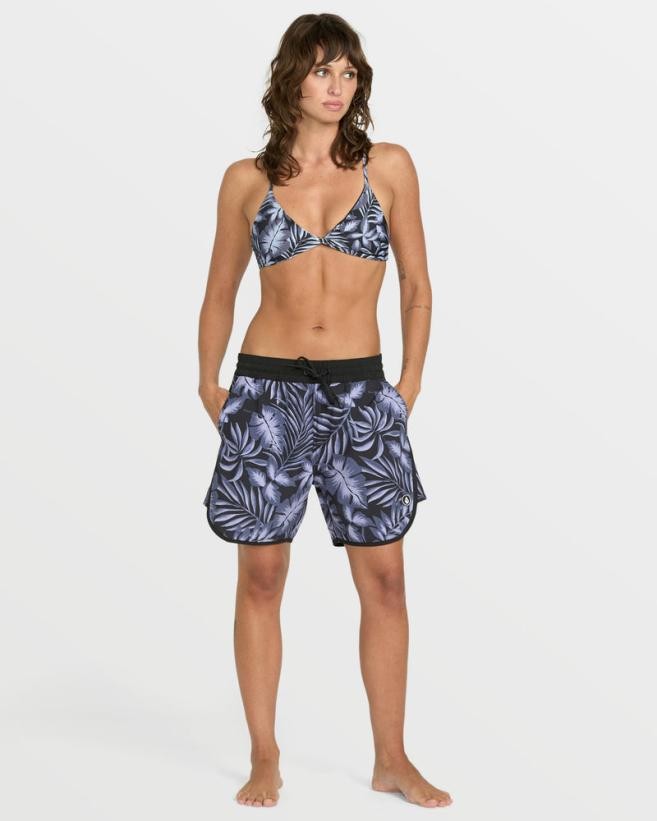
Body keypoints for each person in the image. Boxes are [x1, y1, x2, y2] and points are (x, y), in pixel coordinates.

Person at [198, 13, 452, 810]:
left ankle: (391, 758)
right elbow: (219, 290)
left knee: (386, 580)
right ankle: (264, 754)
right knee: (261, 576)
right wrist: (209, 383)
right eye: (321, 71)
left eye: (348, 72)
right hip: (266, 390)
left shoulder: (388, 167)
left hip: (361, 394)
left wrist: (407, 384)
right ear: (290, 80)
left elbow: (415, 282)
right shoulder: (246, 179)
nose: (337, 86)